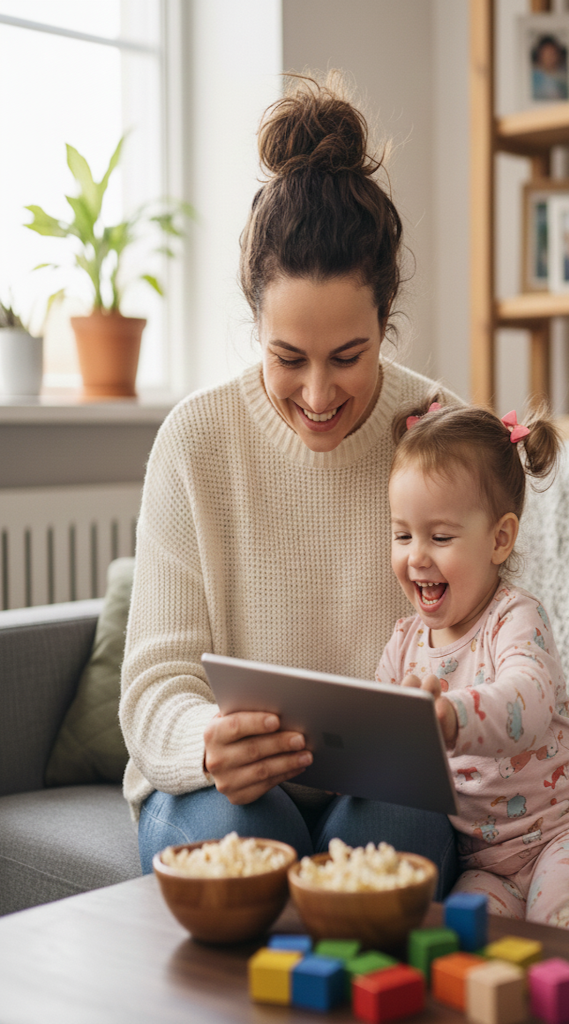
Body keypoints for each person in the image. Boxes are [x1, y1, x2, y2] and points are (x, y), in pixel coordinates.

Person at [120, 73, 460, 896]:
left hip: (383, 792)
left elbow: (494, 642)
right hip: (221, 794)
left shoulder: (443, 433)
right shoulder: (196, 443)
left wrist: (449, 703)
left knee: (392, 836)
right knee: (248, 836)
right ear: (256, 324)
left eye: (348, 356)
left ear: (386, 320)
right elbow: (155, 684)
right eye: (287, 358)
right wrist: (208, 739)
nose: (317, 396)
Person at [376, 402, 569, 934]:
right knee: (454, 938)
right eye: (403, 535)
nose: (417, 556)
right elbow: (378, 742)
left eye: (439, 537)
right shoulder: (403, 645)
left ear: (499, 539)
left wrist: (448, 717)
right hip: (484, 866)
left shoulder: (515, 617)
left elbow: (526, 704)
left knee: (562, 915)